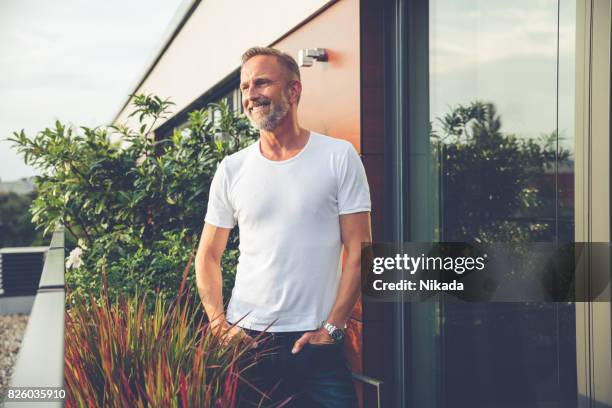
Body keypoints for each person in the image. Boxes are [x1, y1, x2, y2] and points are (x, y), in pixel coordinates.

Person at [195, 46, 371, 407]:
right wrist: (218, 324)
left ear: (293, 90)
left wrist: (334, 327)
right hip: (247, 345)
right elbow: (208, 255)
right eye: (244, 87)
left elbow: (360, 249)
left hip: (316, 344)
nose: (250, 95)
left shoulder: (339, 157)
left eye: (261, 83)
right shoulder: (232, 168)